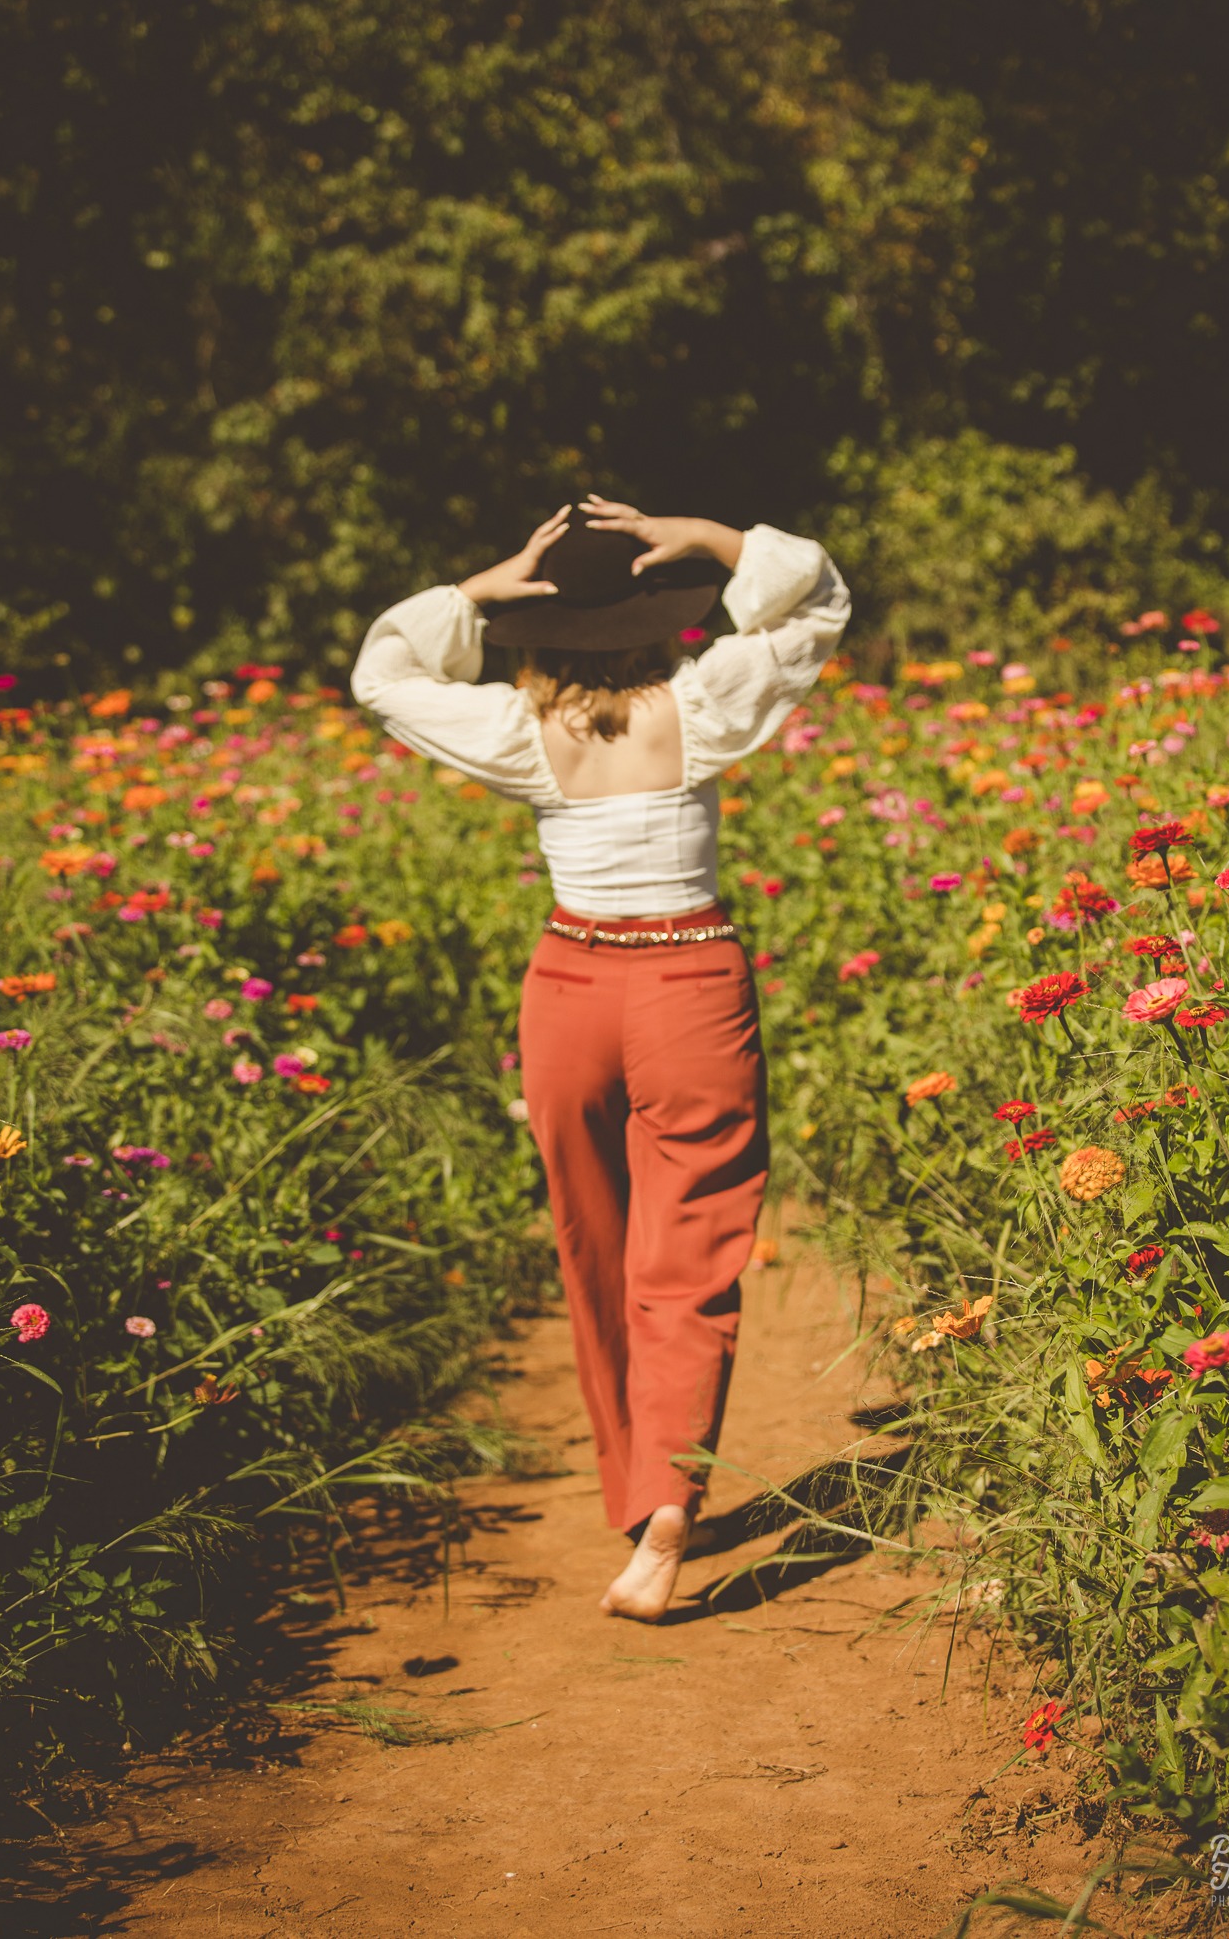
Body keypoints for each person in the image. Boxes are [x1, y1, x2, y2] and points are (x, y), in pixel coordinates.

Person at [351, 496, 850, 1619]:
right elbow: (816, 598)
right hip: (688, 986)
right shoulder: (706, 705)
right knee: (691, 1249)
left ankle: (640, 1490)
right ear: (661, 617)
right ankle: (666, 1509)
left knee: (596, 1241)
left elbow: (382, 674)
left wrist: (481, 587)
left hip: (569, 989)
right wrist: (714, 536)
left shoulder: (521, 734)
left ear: (541, 630)